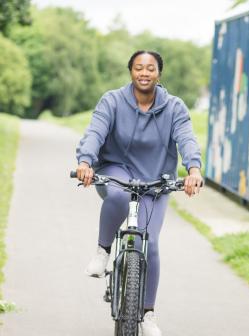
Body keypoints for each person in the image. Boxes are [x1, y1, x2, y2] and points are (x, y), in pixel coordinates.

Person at [75, 50, 203, 336]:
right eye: (138, 68)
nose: (144, 73)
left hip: (155, 182)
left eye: (150, 69)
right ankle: (103, 250)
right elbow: (95, 131)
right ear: (130, 71)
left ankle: (147, 313)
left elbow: (186, 138)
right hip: (115, 170)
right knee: (118, 197)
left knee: (152, 243)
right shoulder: (112, 101)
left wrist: (193, 170)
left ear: (159, 73)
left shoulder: (174, 107)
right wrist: (85, 161)